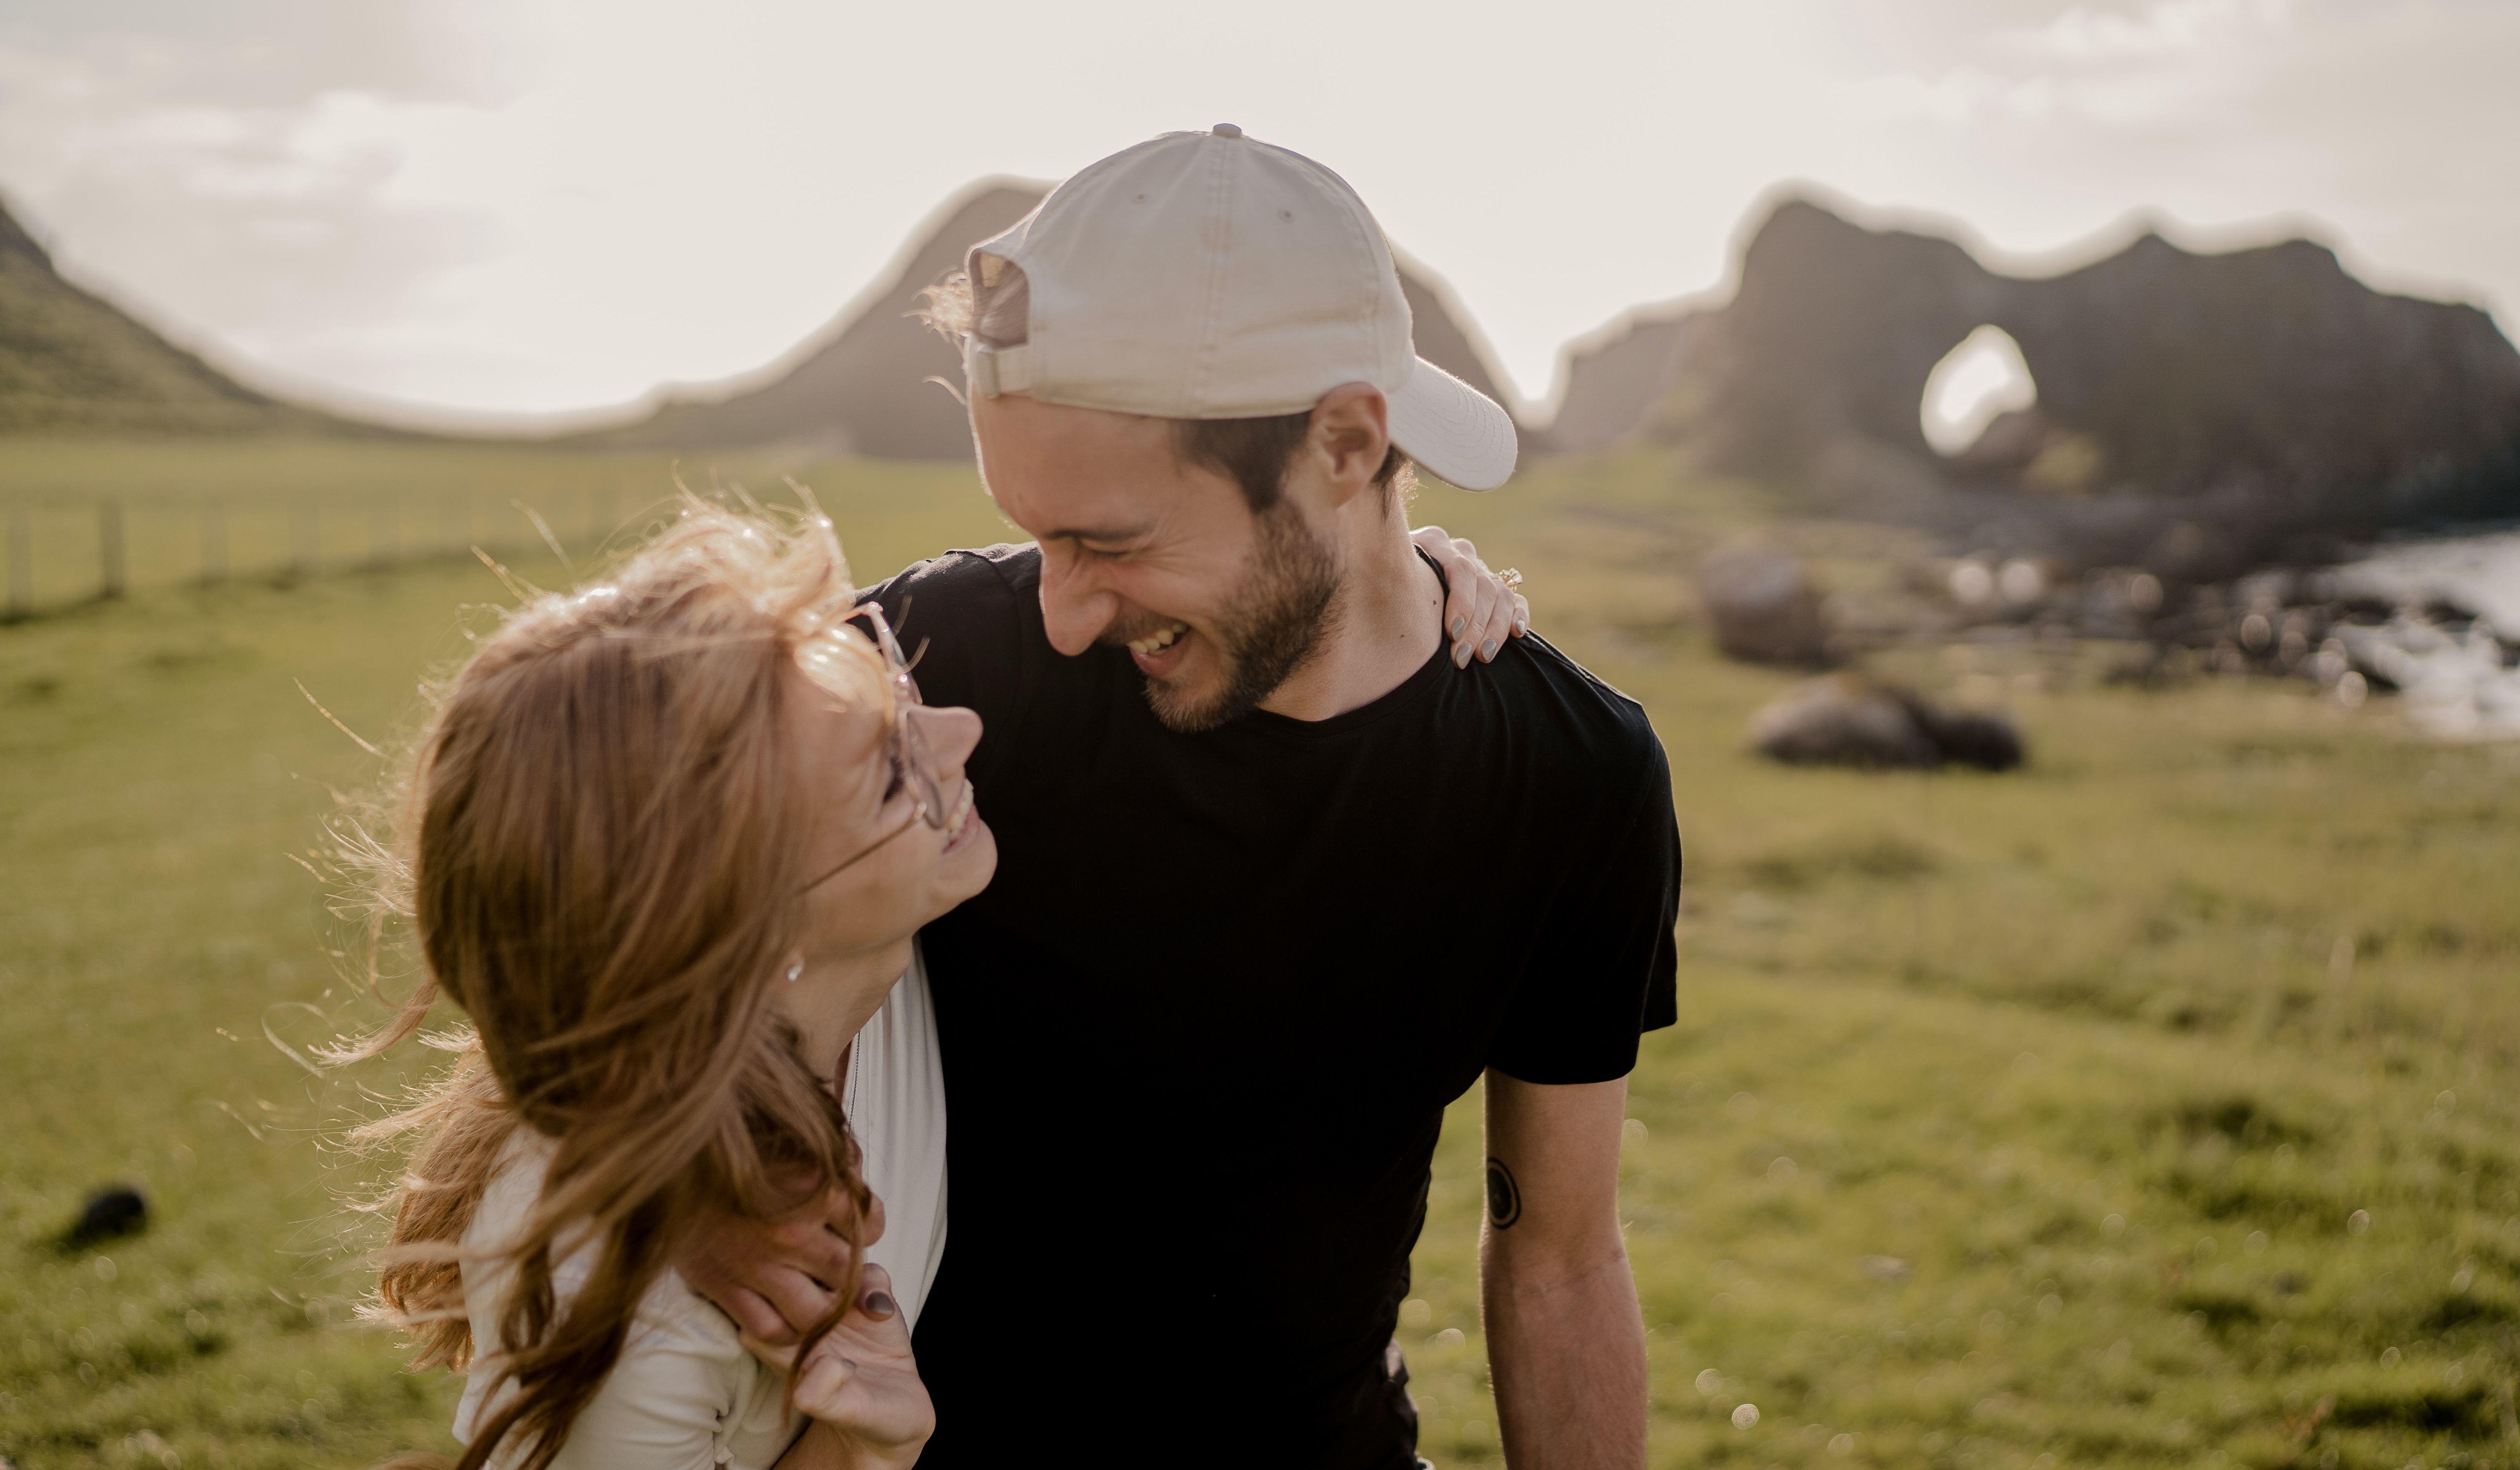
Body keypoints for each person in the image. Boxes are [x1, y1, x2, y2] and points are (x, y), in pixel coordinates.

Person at [692, 128, 1683, 1470]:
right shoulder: (946, 666)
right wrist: (680, 1183)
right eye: (1038, 537)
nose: (1060, 611)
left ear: (1347, 445)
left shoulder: (1570, 773)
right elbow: (558, 850)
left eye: (1109, 539)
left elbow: (1560, 1257)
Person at [348, 504, 974, 1470]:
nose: (962, 730)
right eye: (894, 776)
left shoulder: (858, 939)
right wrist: (865, 1451)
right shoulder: (624, 1301)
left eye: (895, 685)